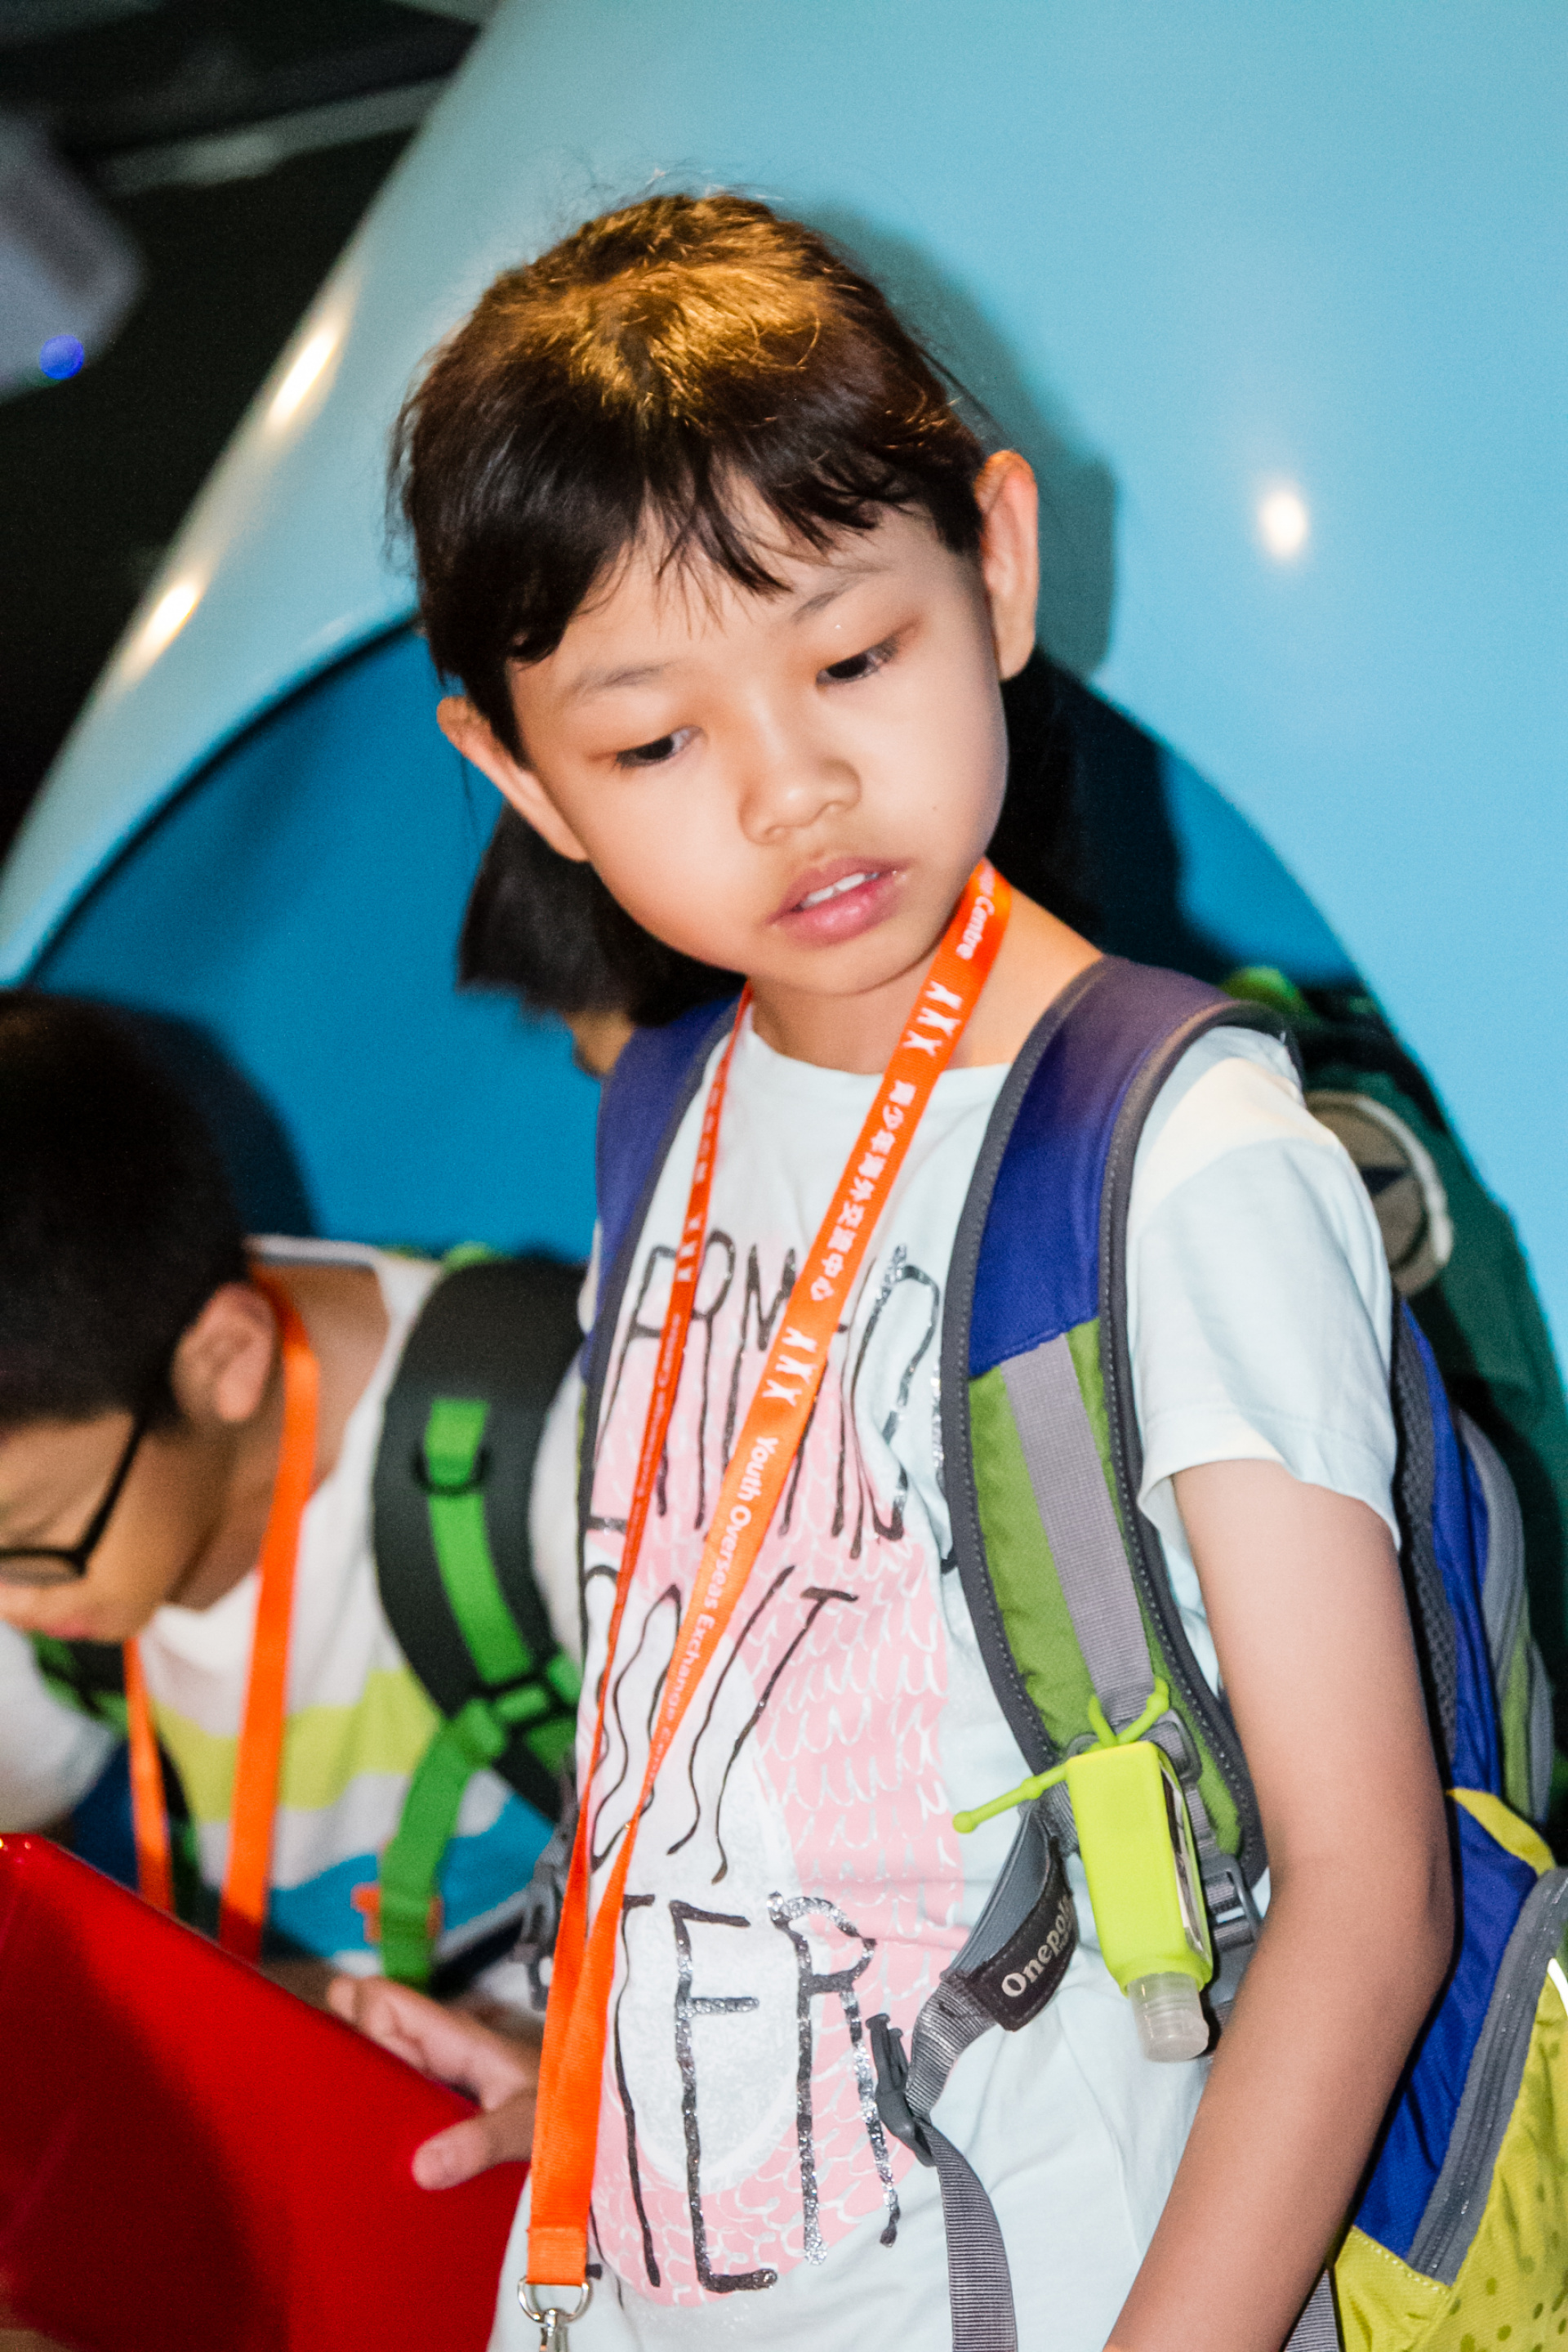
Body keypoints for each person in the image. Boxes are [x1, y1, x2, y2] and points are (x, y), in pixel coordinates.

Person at [341, 193, 1450, 2352]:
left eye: (852, 659)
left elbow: (1367, 1893)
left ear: (999, 567)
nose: (794, 788)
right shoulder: (668, 1105)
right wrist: (596, 2072)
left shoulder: (1179, 1155)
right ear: (518, 772)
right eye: (653, 741)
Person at [0, 991, 579, 2007]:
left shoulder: (555, 1458)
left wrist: (531, 2076)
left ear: (225, 1361)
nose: (9, 1605)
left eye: (32, 1542)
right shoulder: (58, 1470)